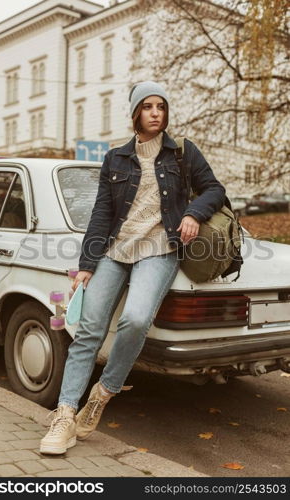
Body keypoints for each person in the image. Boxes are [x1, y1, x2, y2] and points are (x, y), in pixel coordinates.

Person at [40, 81, 226, 455]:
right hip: (114, 248)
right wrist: (86, 266)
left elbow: (214, 190)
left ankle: (102, 394)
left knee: (136, 320)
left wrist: (193, 212)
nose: (156, 112)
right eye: (148, 106)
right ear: (135, 112)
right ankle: (64, 415)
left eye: (161, 106)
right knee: (88, 329)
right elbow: (102, 213)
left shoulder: (183, 153)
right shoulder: (116, 158)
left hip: (159, 249)